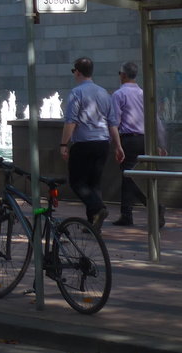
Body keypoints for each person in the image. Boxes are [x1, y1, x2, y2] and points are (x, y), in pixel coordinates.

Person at [61, 56, 123, 230]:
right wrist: (118, 146)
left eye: (74, 71)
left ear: (78, 72)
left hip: (84, 144)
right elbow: (112, 123)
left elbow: (70, 121)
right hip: (103, 143)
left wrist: (64, 145)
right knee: (94, 183)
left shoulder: (76, 92)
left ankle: (98, 209)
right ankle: (93, 223)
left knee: (77, 182)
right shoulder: (104, 93)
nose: (74, 74)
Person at [110, 61, 162, 226]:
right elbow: (155, 119)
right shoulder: (144, 93)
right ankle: (127, 214)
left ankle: (154, 207)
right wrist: (160, 143)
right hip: (145, 139)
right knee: (133, 177)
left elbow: (114, 122)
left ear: (123, 75)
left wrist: (116, 145)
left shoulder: (119, 95)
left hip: (129, 140)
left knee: (130, 177)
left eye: (119, 73)